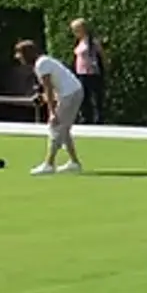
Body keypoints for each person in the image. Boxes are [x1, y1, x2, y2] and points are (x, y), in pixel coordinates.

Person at [15, 39, 83, 175]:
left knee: (56, 127)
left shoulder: (42, 65)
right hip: (72, 91)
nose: (18, 58)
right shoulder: (43, 62)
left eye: (20, 54)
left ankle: (49, 164)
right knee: (63, 129)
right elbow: (52, 88)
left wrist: (52, 112)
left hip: (69, 94)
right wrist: (43, 99)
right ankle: (74, 162)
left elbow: (49, 89)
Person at [70, 17, 106, 125]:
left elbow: (102, 55)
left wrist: (104, 66)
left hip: (91, 73)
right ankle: (86, 117)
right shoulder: (78, 42)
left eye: (76, 29)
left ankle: (98, 118)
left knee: (95, 96)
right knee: (83, 96)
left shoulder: (92, 42)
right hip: (81, 72)